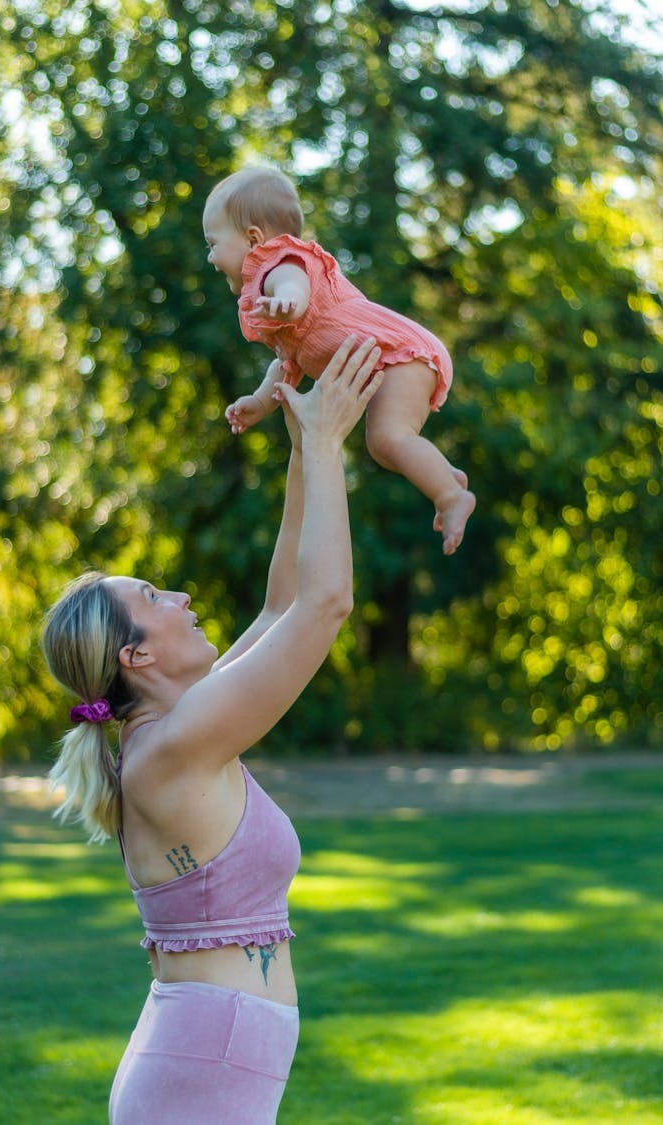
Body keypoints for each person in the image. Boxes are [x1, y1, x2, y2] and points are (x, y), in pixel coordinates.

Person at [40, 336, 385, 1125]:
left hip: (206, 1072)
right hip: (197, 1082)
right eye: (158, 594)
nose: (185, 595)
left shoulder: (179, 728)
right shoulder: (169, 750)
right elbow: (325, 605)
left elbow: (282, 602)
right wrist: (331, 442)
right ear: (136, 653)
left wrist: (303, 444)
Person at [203, 165, 476, 555]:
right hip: (391, 360)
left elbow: (293, 289)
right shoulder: (277, 314)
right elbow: (284, 365)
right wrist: (260, 402)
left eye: (212, 243)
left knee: (387, 437)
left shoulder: (282, 264)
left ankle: (451, 496)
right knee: (383, 446)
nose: (210, 258)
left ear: (253, 238)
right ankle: (441, 475)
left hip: (400, 353)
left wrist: (288, 305)